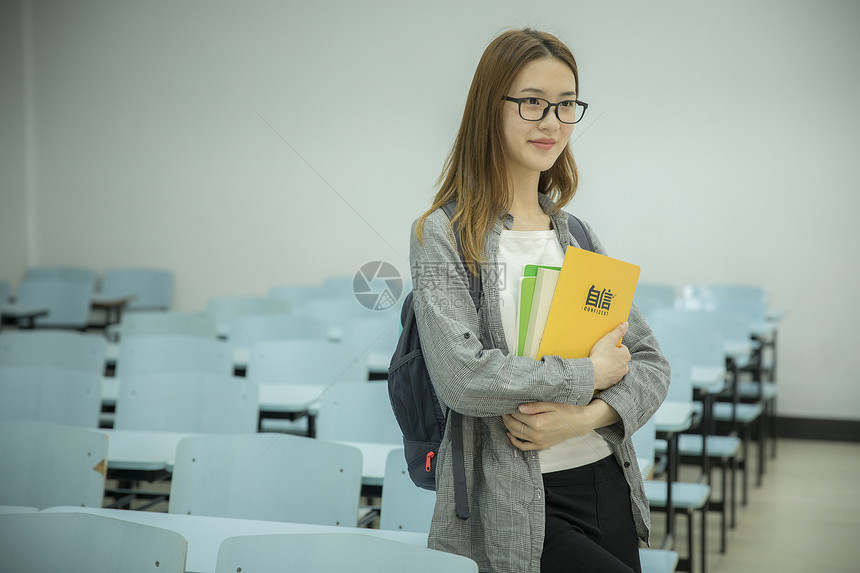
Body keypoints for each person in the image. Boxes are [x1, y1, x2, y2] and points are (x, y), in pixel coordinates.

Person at [409, 28, 671, 573]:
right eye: (532, 102)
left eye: (566, 105)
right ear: (490, 107)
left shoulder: (574, 232)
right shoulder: (444, 234)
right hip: (516, 497)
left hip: (606, 483)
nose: (551, 122)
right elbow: (463, 379)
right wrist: (586, 374)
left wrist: (585, 417)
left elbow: (649, 364)